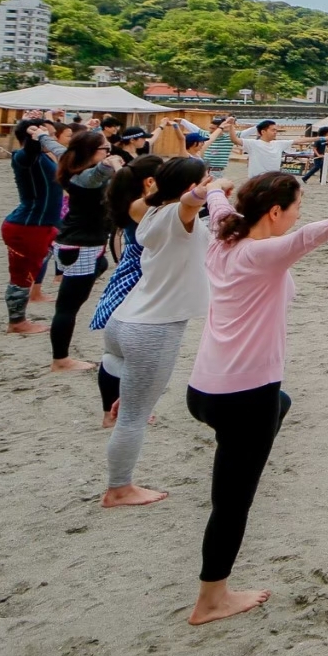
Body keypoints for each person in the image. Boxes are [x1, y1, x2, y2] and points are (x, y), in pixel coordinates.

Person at [184, 173, 328, 625]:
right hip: (245, 396)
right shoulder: (261, 253)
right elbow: (304, 238)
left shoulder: (225, 233)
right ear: (274, 212)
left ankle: (246, 441)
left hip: (203, 389)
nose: (299, 212)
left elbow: (217, 203)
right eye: (296, 204)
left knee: (281, 406)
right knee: (232, 504)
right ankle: (211, 601)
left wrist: (213, 187)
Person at [102, 156, 214, 508]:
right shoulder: (177, 215)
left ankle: (130, 390)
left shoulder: (146, 212)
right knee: (134, 418)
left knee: (133, 395)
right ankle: (119, 489)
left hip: (124, 321)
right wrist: (207, 190)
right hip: (153, 328)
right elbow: (189, 202)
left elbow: (174, 201)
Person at [88, 155, 166, 422]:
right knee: (133, 355)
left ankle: (110, 413)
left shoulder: (130, 199)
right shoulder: (144, 207)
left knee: (116, 355)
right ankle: (125, 411)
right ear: (150, 182)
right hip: (137, 282)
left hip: (126, 280)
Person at [49, 130, 119, 370]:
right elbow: (100, 173)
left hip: (78, 243)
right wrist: (111, 163)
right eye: (105, 149)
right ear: (90, 152)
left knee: (101, 266)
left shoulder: (71, 161)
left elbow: (56, 147)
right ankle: (61, 360)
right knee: (67, 308)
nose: (109, 153)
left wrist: (40, 135)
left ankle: (61, 358)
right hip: (80, 245)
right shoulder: (86, 177)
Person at [2, 117, 63, 336]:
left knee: (31, 270)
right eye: (49, 134)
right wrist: (35, 135)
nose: (52, 138)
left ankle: (21, 316)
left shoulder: (41, 157)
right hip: (28, 226)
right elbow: (30, 150)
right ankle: (17, 322)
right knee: (21, 276)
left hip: (41, 225)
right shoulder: (23, 157)